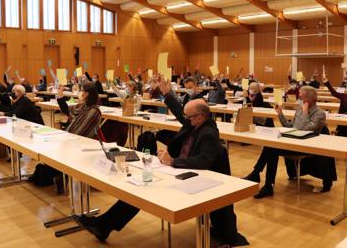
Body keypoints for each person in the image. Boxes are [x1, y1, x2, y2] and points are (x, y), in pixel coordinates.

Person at [73, 79, 247, 247]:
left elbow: (203, 160)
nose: (186, 119)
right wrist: (167, 94)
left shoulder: (208, 133)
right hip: (181, 171)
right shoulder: (195, 123)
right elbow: (180, 113)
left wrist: (173, 161)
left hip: (197, 179)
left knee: (144, 190)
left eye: (190, 117)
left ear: (200, 117)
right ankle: (103, 225)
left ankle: (103, 225)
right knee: (141, 189)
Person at [244, 86, 327, 198]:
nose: (299, 98)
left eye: (301, 97)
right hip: (291, 142)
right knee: (271, 146)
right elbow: (290, 127)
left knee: (272, 148)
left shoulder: (320, 114)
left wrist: (305, 113)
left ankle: (258, 176)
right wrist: (280, 114)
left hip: (304, 146)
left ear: (308, 99)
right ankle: (266, 182)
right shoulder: (299, 110)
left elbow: (305, 130)